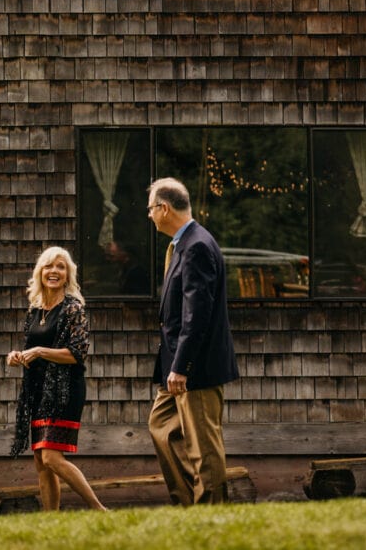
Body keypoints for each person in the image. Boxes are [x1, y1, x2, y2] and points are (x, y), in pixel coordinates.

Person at [146, 177, 239, 505]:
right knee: (161, 425)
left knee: (202, 445)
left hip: (195, 368)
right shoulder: (182, 245)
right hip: (175, 365)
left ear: (164, 208)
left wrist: (183, 366)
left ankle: (211, 511)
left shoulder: (197, 245)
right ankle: (189, 502)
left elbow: (196, 314)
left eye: (150, 209)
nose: (149, 216)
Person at [6, 246, 107, 511]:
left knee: (51, 457)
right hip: (38, 391)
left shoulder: (73, 309)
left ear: (68, 274)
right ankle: (51, 520)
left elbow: (77, 354)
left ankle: (100, 510)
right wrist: (18, 355)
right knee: (41, 460)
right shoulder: (36, 310)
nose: (54, 271)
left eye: (60, 267)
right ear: (40, 272)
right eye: (49, 266)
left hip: (64, 390)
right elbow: (33, 347)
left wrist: (39, 351)